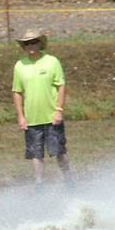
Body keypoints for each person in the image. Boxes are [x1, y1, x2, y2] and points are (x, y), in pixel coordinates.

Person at [11, 28, 71, 186]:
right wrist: (20, 116)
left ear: (39, 44)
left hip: (52, 117)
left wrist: (59, 110)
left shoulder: (52, 61)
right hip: (32, 119)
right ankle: (39, 183)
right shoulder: (19, 65)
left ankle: (68, 178)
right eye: (27, 43)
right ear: (23, 46)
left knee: (59, 151)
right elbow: (17, 91)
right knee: (36, 153)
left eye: (33, 42)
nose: (30, 45)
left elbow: (61, 86)